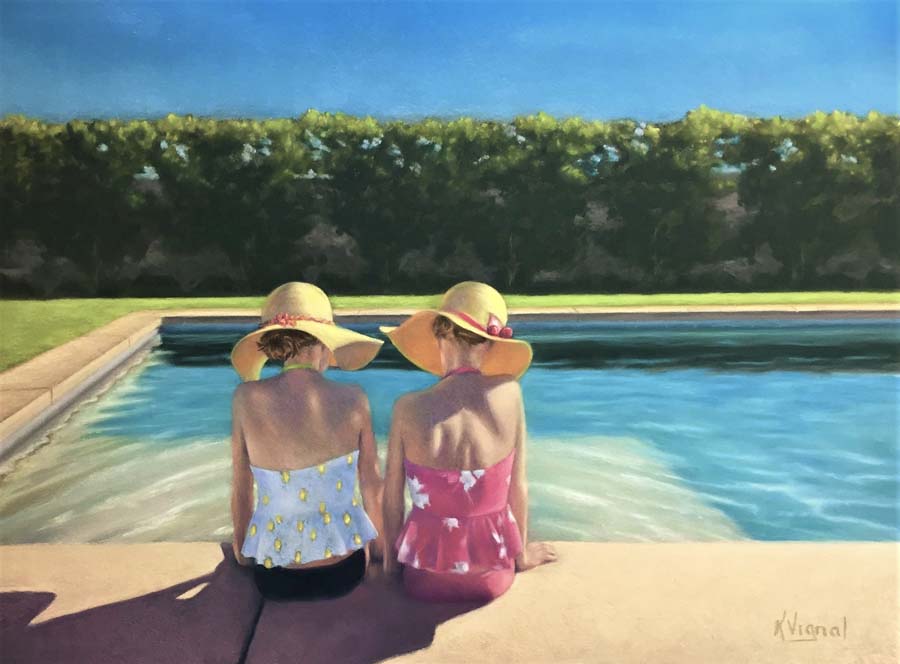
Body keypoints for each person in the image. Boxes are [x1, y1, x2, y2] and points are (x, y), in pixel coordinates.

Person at [381, 281, 557, 602]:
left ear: (441, 335)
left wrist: (392, 569)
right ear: (488, 346)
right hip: (493, 579)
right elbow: (518, 487)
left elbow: (392, 496)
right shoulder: (510, 393)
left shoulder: (408, 408)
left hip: (424, 579)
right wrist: (521, 558)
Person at [230, 282, 384, 600]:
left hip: (275, 578)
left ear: (273, 346)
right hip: (344, 572)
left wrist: (242, 551)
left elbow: (242, 487)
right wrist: (381, 550)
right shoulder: (354, 398)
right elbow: (371, 484)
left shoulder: (246, 398)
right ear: (325, 342)